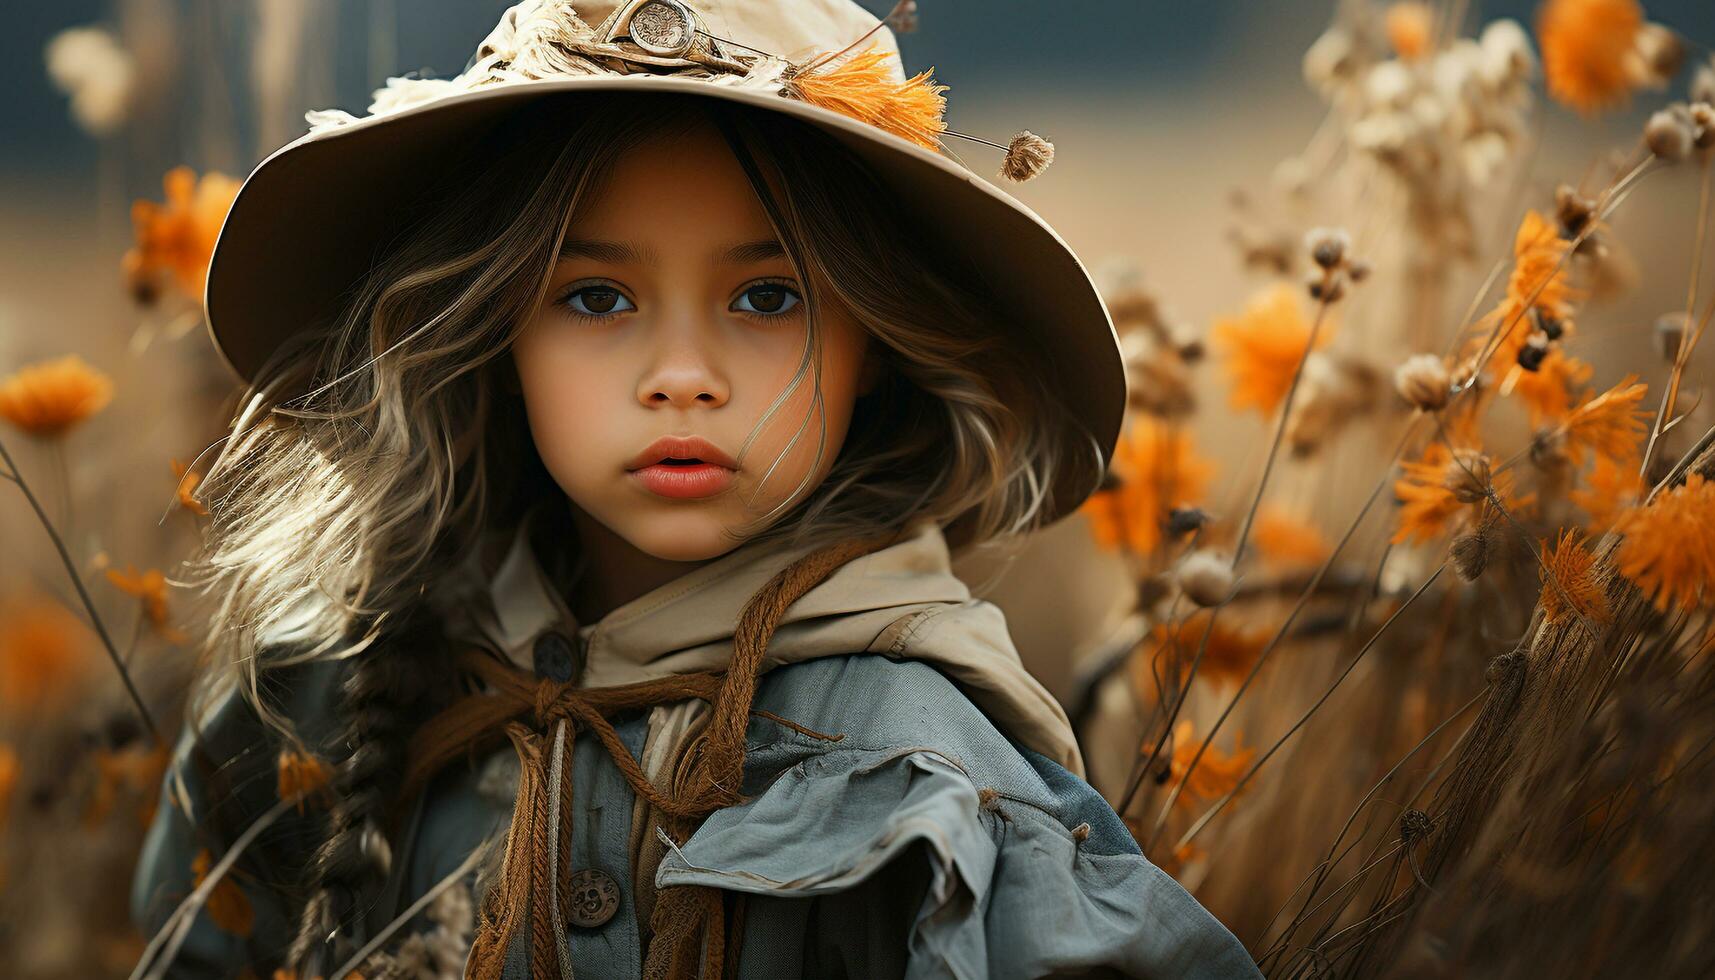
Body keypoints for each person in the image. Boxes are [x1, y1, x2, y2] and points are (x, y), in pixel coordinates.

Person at [130, 1, 1261, 977]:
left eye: (767, 298)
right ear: (492, 327)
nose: (681, 376)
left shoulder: (924, 772)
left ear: (873, 343)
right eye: (595, 297)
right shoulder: (322, 692)